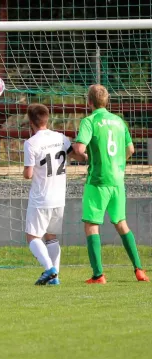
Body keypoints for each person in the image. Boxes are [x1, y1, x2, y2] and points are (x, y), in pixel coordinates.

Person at [73, 84, 149, 284]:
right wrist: (118, 165)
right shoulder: (118, 121)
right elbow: (131, 149)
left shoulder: (89, 121)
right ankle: (139, 270)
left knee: (91, 225)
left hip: (98, 180)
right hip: (117, 180)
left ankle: (98, 275)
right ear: (107, 101)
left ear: (89, 102)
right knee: (121, 224)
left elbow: (80, 149)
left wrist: (85, 156)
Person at [23, 103, 85, 285]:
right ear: (47, 118)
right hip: (59, 197)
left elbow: (28, 174)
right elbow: (76, 155)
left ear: (30, 121)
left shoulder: (31, 143)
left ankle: (49, 269)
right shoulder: (61, 138)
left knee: (33, 236)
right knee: (51, 236)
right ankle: (55, 277)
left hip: (41, 198)